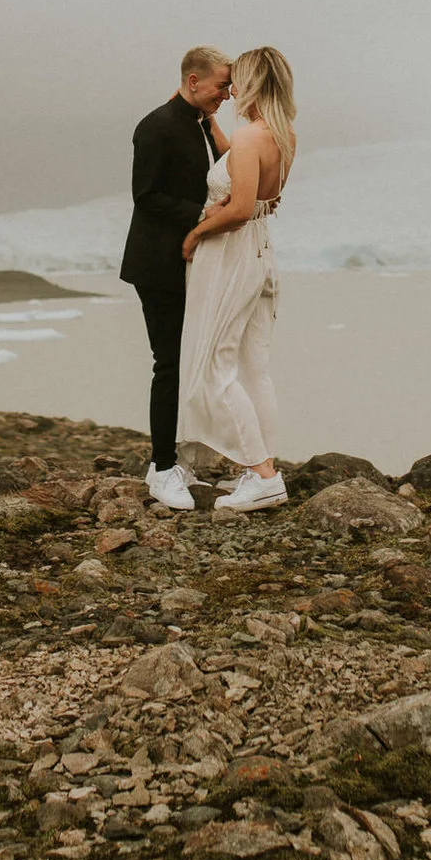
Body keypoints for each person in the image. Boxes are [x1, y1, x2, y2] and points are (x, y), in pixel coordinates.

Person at [176, 44, 295, 512]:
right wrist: (214, 129)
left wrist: (194, 234)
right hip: (262, 252)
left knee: (215, 366)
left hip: (231, 255)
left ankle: (264, 476)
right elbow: (251, 185)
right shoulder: (282, 134)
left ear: (251, 83)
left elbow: (240, 208)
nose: (230, 89)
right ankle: (261, 468)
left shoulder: (250, 138)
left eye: (235, 81)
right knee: (253, 366)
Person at [121, 46, 232, 512]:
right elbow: (146, 196)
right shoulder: (157, 126)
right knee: (168, 363)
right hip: (158, 263)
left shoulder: (197, 125)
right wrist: (203, 214)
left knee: (191, 362)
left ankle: (179, 460)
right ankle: (162, 468)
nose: (227, 94)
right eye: (221, 85)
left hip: (191, 261)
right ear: (193, 81)